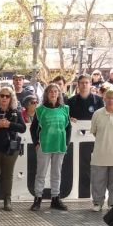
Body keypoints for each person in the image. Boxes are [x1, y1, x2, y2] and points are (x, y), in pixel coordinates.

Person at [30, 83, 71, 211]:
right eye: (51, 91)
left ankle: (55, 199)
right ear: (46, 94)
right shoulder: (40, 110)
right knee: (41, 174)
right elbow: (33, 128)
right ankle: (37, 199)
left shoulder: (65, 109)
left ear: (59, 94)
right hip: (44, 145)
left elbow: (68, 127)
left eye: (55, 91)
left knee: (56, 173)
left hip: (59, 145)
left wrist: (66, 143)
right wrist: (36, 143)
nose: (53, 93)